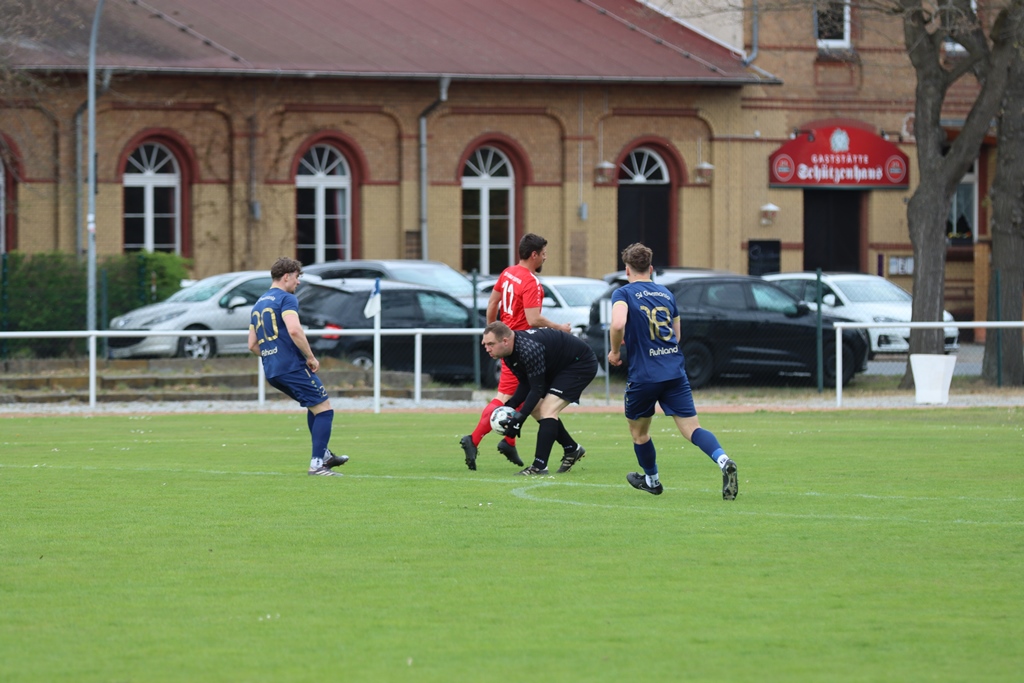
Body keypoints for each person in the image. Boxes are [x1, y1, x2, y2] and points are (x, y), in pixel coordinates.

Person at [607, 243, 737, 499]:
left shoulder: (623, 293)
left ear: (627, 270)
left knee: (639, 433)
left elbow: (618, 323)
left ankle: (652, 481)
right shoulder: (666, 293)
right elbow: (677, 336)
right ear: (651, 269)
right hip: (674, 371)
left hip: (645, 376)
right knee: (692, 429)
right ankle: (723, 461)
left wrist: (614, 352)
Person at [460, 233, 572, 471]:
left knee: (534, 403)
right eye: (543, 253)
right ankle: (474, 439)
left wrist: (491, 333)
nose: (545, 257)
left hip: (508, 345)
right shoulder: (531, 282)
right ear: (534, 255)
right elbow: (533, 319)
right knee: (509, 399)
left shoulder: (508, 273)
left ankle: (511, 442)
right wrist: (559, 328)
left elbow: (493, 304)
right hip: (521, 348)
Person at [248, 257, 349, 477]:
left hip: (272, 370)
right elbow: (294, 330)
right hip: (291, 366)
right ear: (287, 276)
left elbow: (252, 345)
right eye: (297, 277)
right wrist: (310, 357)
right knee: (325, 410)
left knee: (315, 405)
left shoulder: (259, 303)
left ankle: (324, 455)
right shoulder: (287, 299)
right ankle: (317, 464)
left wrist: (274, 355)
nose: (298, 282)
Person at [481, 321, 594, 475]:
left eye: (491, 344)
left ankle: (539, 466)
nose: (487, 349)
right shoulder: (507, 353)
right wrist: (510, 405)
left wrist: (519, 418)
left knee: (547, 409)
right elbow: (526, 383)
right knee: (535, 407)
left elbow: (537, 389)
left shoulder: (528, 349)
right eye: (485, 344)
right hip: (558, 365)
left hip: (579, 363)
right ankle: (572, 449)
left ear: (505, 341)